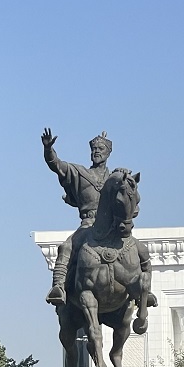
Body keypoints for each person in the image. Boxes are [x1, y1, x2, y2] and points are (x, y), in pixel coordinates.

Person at [42, 128, 112, 305]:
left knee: (139, 251)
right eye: (94, 149)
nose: (96, 152)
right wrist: (48, 150)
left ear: (108, 153)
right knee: (66, 247)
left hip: (111, 227)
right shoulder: (80, 173)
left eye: (100, 149)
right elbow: (57, 164)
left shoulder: (115, 178)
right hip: (89, 224)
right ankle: (58, 286)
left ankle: (143, 291)